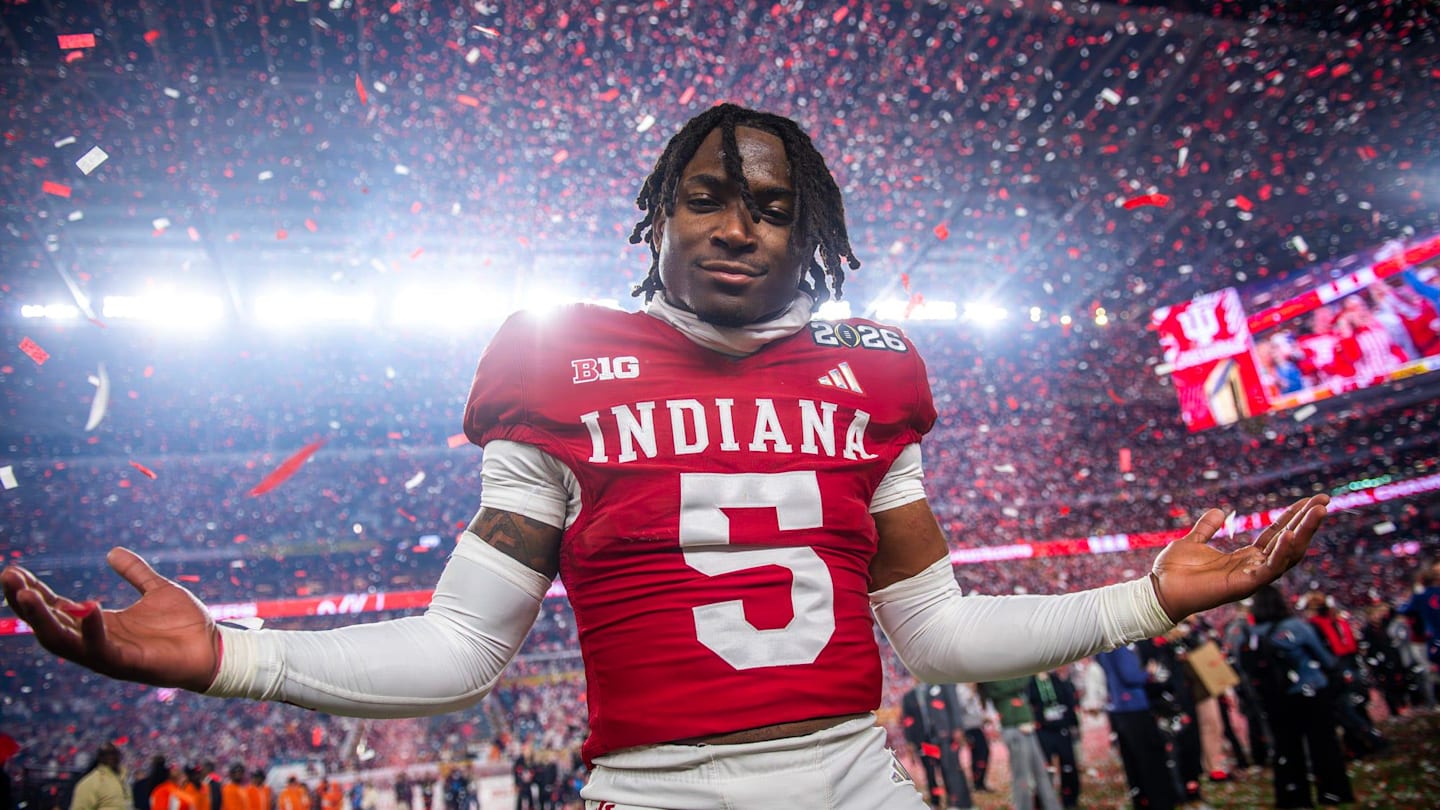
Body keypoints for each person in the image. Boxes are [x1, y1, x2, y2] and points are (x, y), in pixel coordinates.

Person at [1, 104, 1334, 810]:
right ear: (659, 212)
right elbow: (463, 652)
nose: (741, 225)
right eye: (710, 194)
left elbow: (930, 634)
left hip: (863, 785)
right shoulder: (552, 357)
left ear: (810, 233)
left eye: (775, 204)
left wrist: (1152, 596)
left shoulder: (872, 366)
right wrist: (234, 653)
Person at [1247, 584, 1354, 808]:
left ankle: (1294, 797)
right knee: (1324, 744)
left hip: (1277, 700)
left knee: (1286, 749)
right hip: (1311, 692)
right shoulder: (1296, 626)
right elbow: (1325, 658)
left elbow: (1246, 670)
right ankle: (1333, 791)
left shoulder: (1251, 635)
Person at [1096, 645, 1180, 810]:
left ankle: (1143, 800)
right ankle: (1158, 801)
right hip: (1133, 706)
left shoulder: (1104, 648)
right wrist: (1148, 672)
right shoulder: (1119, 647)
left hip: (1120, 708)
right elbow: (1130, 675)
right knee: (1149, 761)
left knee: (1134, 763)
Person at [977, 677, 1061, 810]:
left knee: (1041, 772)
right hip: (1013, 727)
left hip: (1025, 724)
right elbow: (1010, 684)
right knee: (1022, 776)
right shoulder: (991, 677)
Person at [900, 683, 973, 810]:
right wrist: (910, 742)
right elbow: (907, 720)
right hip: (924, 741)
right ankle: (936, 802)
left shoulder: (942, 687)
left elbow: (953, 707)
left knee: (949, 768)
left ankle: (957, 802)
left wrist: (957, 728)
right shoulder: (909, 696)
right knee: (930, 771)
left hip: (943, 736)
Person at [1027, 668, 1081, 809]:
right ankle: (1044, 802)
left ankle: (1070, 800)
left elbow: (1069, 699)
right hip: (1043, 730)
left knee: (1068, 765)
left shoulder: (1057, 680)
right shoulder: (1031, 683)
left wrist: (1073, 724)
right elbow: (1029, 703)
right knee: (1044, 768)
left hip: (1061, 728)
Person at [70, 744, 132, 810]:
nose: (112, 758)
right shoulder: (91, 782)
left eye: (114, 754)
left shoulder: (122, 780)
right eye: (107, 754)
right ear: (100, 758)